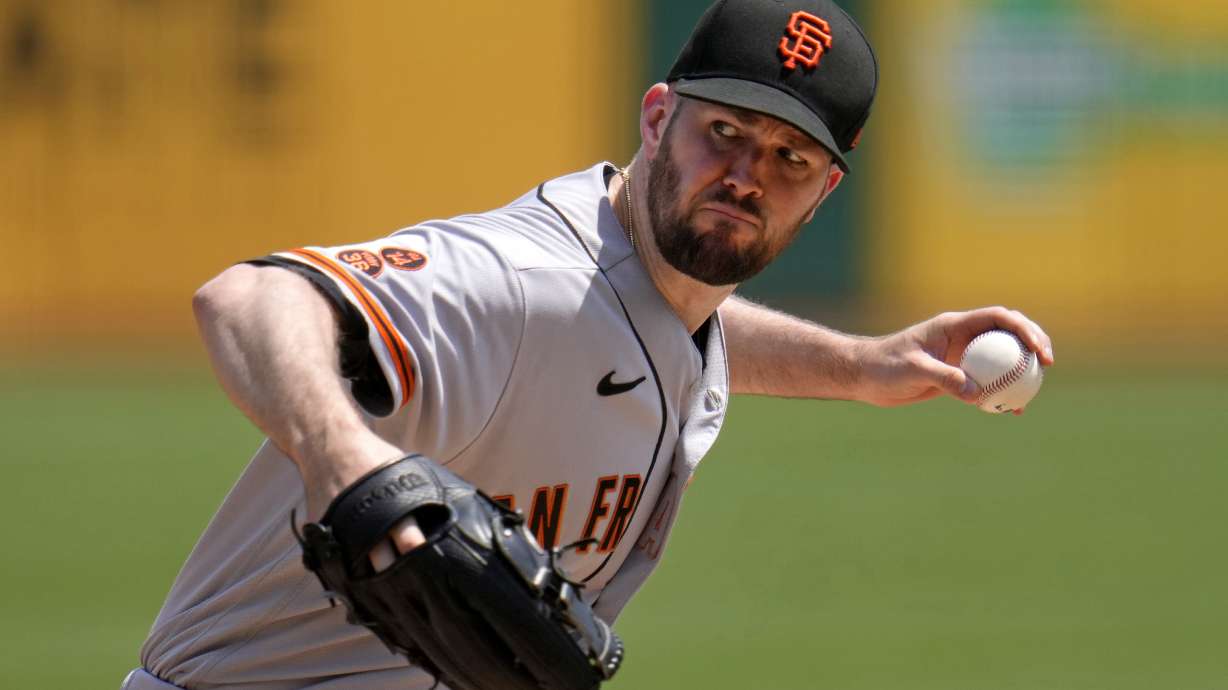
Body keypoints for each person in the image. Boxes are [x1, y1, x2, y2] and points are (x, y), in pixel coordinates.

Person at [124, 0, 1054, 688]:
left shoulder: (650, 293)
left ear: (825, 191)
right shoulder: (519, 282)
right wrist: (341, 456)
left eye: (789, 159)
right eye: (722, 132)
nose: (743, 176)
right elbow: (251, 294)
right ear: (657, 118)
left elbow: (672, 328)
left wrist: (863, 365)